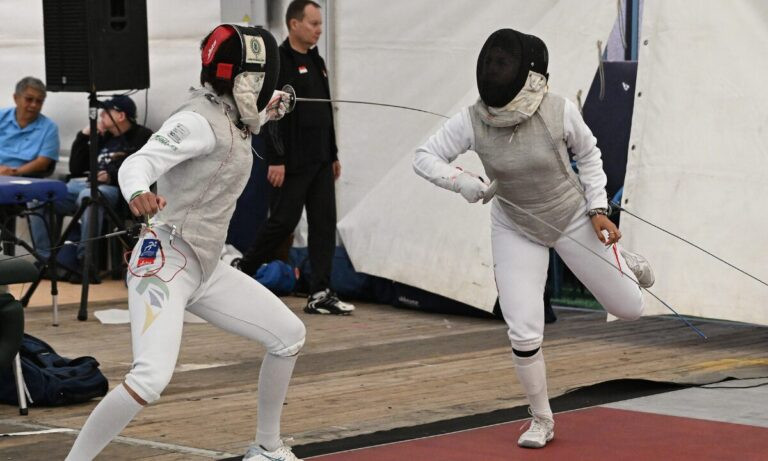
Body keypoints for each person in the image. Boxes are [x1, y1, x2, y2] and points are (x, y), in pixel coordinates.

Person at [66, 25, 305, 461]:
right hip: (165, 264)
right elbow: (139, 161)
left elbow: (241, 122)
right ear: (247, 78)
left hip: (205, 267)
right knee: (149, 379)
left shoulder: (232, 112)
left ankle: (266, 448)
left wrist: (272, 109)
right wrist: (138, 191)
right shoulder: (196, 120)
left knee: (288, 335)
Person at [413, 29, 654, 449]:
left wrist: (598, 208)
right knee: (523, 332)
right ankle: (542, 418)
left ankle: (624, 261)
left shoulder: (558, 110)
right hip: (515, 225)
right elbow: (424, 157)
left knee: (629, 308)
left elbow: (589, 155)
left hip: (570, 216)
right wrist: (462, 181)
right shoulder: (472, 119)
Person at [236, 0, 354, 316]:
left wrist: (333, 153)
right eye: (313, 24)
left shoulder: (317, 60)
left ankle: (320, 292)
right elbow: (272, 116)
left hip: (321, 161)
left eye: (320, 24)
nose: (319, 30)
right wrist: (276, 159)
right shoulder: (281, 62)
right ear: (294, 24)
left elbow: (325, 110)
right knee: (283, 222)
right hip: (292, 162)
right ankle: (243, 270)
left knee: (324, 225)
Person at [29, 95, 152, 281]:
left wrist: (110, 175)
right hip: (84, 184)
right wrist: (84, 135)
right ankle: (46, 261)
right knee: (38, 197)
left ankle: (85, 262)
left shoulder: (141, 136)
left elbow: (141, 167)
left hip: (115, 189)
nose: (100, 115)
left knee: (89, 196)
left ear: (120, 116)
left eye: (106, 112)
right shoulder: (103, 137)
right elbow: (76, 168)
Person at [0, 76, 59, 177]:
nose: (33, 105)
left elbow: (42, 163)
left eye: (39, 101)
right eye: (29, 99)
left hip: (24, 177)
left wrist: (13, 172)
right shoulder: (1, 117)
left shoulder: (49, 128)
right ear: (16, 98)